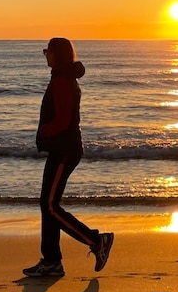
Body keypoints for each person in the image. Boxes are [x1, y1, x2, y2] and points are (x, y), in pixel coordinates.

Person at [23, 38, 113, 277]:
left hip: (65, 150)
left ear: (57, 55)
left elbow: (63, 121)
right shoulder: (62, 77)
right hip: (62, 149)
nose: (45, 56)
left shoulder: (63, 80)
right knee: (48, 204)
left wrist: (44, 131)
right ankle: (51, 261)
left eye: (48, 52)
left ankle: (96, 240)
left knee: (50, 205)